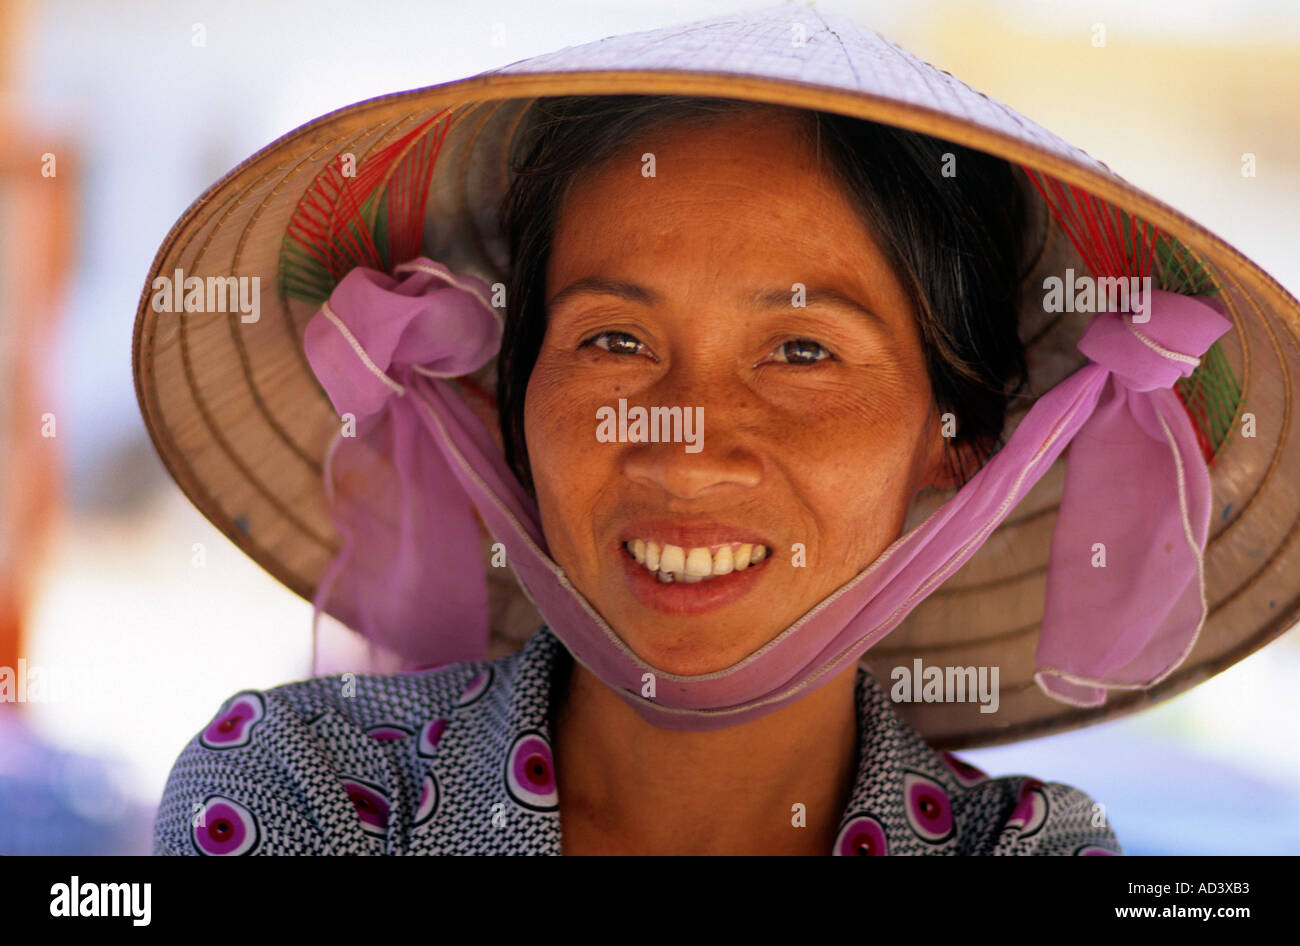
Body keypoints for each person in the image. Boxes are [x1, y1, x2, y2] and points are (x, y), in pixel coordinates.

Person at [139, 5, 1298, 855]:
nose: (687, 446)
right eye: (613, 342)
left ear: (958, 435)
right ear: (506, 398)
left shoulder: (1026, 853)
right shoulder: (304, 792)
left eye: (801, 353)